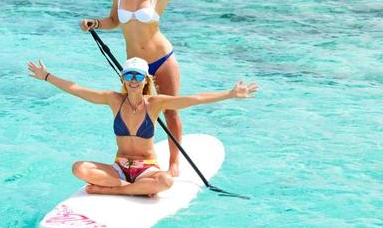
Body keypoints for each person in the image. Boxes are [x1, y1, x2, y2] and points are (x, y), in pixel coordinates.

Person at [79, 0, 230, 177]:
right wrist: (94, 23)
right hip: (136, 67)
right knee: (134, 111)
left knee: (170, 110)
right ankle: (133, 160)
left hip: (162, 60)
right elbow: (114, 21)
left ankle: (174, 163)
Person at [27, 56, 256, 196]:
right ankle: (126, 188)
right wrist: (47, 76)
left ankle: (114, 190)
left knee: (165, 181)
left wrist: (230, 94)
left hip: (146, 170)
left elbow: (194, 99)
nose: (133, 81)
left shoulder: (154, 103)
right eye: (129, 76)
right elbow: (77, 89)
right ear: (123, 79)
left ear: (146, 79)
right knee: (79, 168)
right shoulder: (113, 100)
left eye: (138, 76)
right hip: (119, 169)